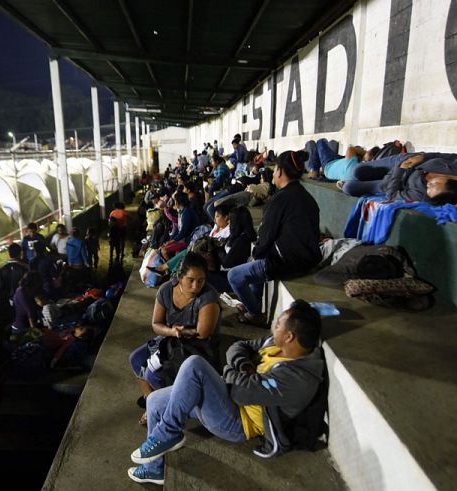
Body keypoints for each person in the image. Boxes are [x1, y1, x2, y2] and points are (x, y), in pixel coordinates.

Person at [127, 300, 326, 486]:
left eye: (278, 324)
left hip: (238, 422)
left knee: (195, 365)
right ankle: (154, 469)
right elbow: (239, 347)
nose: (275, 325)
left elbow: (241, 393)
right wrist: (244, 364)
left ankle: (167, 433)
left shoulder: (297, 378)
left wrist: (230, 370)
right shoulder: (276, 344)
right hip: (225, 395)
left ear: (290, 336)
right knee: (154, 400)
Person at [227, 151, 321, 326]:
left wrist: (256, 254)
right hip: (309, 260)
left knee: (234, 275)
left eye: (275, 168)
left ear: (280, 172)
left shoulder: (279, 199)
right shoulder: (308, 198)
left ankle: (255, 313)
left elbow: (266, 236)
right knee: (256, 262)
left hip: (288, 263)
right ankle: (254, 306)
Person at [129, 253, 220, 424]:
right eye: (191, 280)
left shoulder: (208, 297)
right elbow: (156, 324)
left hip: (198, 347)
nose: (196, 286)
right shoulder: (165, 290)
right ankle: (153, 401)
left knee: (153, 373)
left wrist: (178, 332)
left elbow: (203, 333)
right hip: (172, 338)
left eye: (201, 280)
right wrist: (172, 331)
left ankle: (170, 411)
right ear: (179, 276)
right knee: (136, 359)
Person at [340, 152, 457, 204]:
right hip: (402, 160)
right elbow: (447, 155)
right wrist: (422, 157)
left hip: (392, 179)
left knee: (349, 187)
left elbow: (391, 195)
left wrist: (400, 171)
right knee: (357, 171)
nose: (429, 185)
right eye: (435, 184)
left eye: (429, 189)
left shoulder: (423, 195)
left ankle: (371, 174)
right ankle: (370, 159)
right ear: (454, 180)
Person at [0, 243, 28, 327]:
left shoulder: (3, 269)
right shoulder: (24, 267)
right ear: (20, 253)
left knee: (14, 317)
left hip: (8, 298)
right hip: (22, 297)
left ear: (9, 253)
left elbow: (1, 286)